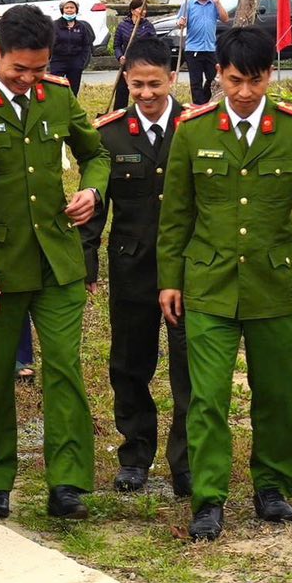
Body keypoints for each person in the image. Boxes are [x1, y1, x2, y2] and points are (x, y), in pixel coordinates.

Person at [160, 26, 292, 542]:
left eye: (256, 80)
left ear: (271, 74)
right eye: (235, 80)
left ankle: (272, 488)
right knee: (208, 396)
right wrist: (169, 280)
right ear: (218, 74)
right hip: (209, 284)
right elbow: (176, 212)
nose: (244, 92)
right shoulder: (193, 130)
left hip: (274, 284)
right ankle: (209, 499)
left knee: (277, 393)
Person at [0, 5, 108, 522]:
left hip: (57, 262)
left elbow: (95, 152)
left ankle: (68, 486)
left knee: (64, 369)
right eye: (20, 69)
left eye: (39, 69)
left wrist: (92, 189)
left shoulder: (57, 97)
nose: (30, 79)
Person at [81, 37, 192, 498]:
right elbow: (96, 204)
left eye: (155, 85)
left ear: (172, 79)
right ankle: (136, 455)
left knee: (190, 368)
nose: (146, 95)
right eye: (137, 85)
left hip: (188, 272)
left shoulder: (196, 127)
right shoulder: (109, 133)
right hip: (132, 269)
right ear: (125, 80)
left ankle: (186, 462)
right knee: (129, 366)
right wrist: (88, 263)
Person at [181, 0, 228, 106]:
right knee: (195, 82)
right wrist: (181, 22)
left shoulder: (213, 3)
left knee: (213, 79)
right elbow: (180, 22)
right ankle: (198, 106)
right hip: (193, 49)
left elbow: (225, 18)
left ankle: (205, 102)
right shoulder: (188, 3)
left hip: (210, 48)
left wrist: (218, 2)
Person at [110, 0, 159, 111]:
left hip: (143, 64)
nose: (143, 12)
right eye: (140, 9)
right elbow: (116, 46)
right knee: (122, 92)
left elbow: (154, 44)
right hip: (127, 64)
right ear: (132, 11)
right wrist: (120, 57)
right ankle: (119, 115)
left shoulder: (148, 26)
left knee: (142, 92)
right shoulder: (123, 26)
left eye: (145, 9)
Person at [50, 0, 92, 91]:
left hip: (75, 62)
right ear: (62, 9)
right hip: (58, 61)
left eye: (72, 7)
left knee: (73, 90)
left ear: (76, 9)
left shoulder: (81, 27)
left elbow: (86, 45)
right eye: (67, 7)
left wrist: (82, 62)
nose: (69, 10)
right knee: (55, 88)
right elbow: (48, 44)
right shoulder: (55, 25)